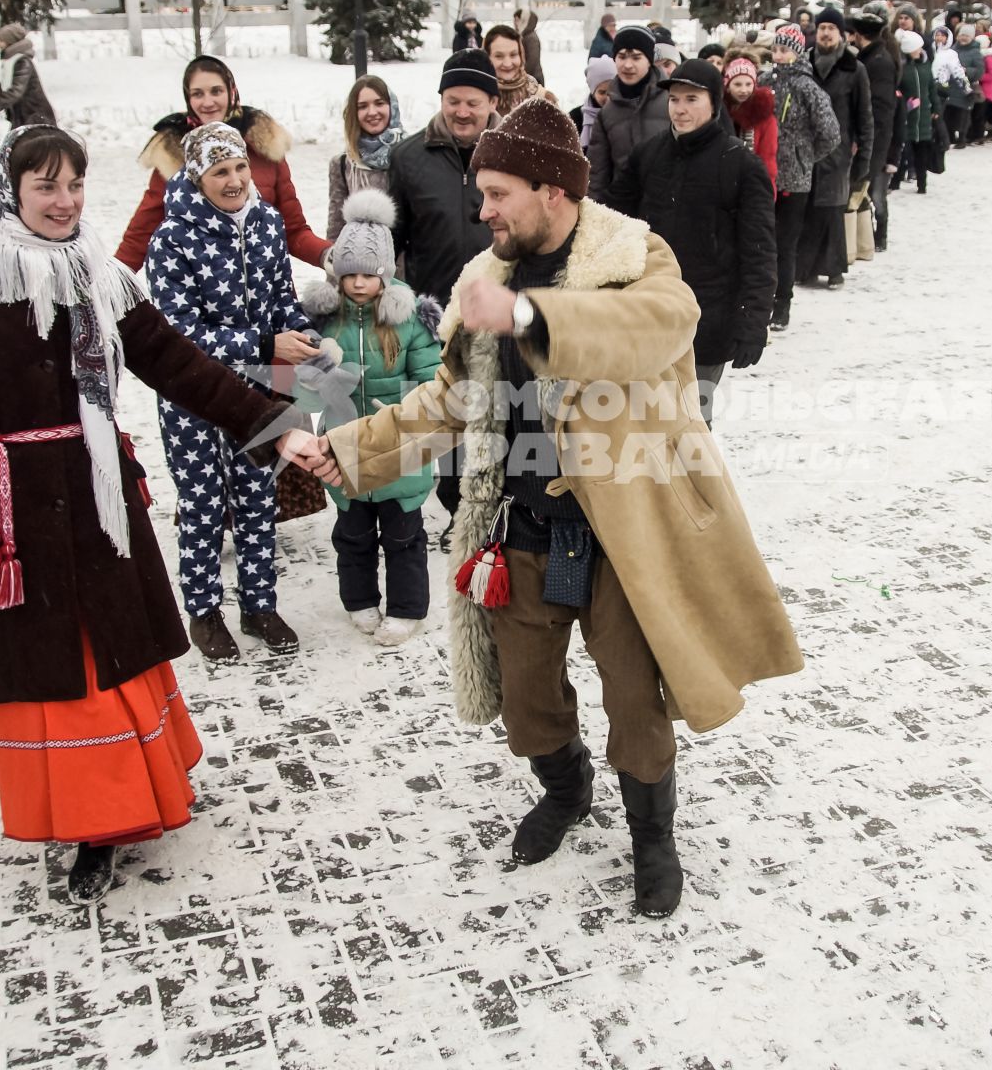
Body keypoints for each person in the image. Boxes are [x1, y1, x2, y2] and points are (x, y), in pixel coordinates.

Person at [293, 98, 804, 919]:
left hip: (623, 532)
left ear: (554, 191)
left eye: (498, 193)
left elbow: (657, 328)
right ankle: (564, 792)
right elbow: (449, 400)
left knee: (637, 705)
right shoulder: (485, 280)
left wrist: (536, 315)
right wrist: (349, 449)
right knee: (526, 704)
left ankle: (652, 837)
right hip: (519, 532)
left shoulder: (637, 258)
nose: (482, 208)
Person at [0, 125, 314, 905]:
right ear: (11, 192)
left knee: (110, 657)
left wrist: (273, 426)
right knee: (52, 670)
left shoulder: (103, 279)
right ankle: (85, 818)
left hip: (100, 505)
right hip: (15, 517)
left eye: (75, 185)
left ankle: (119, 812)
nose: (66, 203)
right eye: (46, 188)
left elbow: (180, 367)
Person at [145, 122, 314, 660]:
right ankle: (205, 611)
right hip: (192, 396)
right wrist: (266, 343)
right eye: (221, 171)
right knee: (202, 503)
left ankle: (260, 605)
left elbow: (282, 299)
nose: (236, 179)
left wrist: (305, 337)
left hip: (257, 391)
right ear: (198, 176)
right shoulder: (171, 240)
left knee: (258, 498)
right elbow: (179, 334)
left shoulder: (265, 223)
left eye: (240, 166)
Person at [300, 190, 444, 646]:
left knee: (403, 535)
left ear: (385, 273)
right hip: (343, 447)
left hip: (399, 448)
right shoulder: (325, 321)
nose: (359, 283)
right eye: (350, 275)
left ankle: (406, 608)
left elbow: (430, 379)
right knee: (353, 533)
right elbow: (305, 390)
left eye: (369, 274)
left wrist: (405, 409)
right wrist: (320, 368)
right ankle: (359, 600)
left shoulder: (410, 320)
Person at [607, 59, 776, 425]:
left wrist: (752, 321)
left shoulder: (741, 166)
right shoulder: (648, 155)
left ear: (714, 103)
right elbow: (615, 224)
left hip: (708, 317)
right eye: (675, 100)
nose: (680, 109)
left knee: (690, 422)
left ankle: (694, 483)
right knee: (643, 419)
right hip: (648, 312)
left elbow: (759, 252)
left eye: (691, 99)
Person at [388, 49, 500, 547]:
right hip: (435, 315)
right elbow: (395, 240)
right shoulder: (408, 158)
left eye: (472, 102)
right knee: (449, 412)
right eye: (453, 101)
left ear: (492, 103)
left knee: (497, 409)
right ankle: (456, 507)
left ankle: (494, 504)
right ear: (441, 99)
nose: (462, 112)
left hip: (500, 310)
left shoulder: (511, 155)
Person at [114, 57, 330, 272]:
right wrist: (109, 286)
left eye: (216, 91)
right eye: (198, 94)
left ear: (231, 91)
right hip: (202, 298)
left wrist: (331, 257)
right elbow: (139, 235)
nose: (207, 102)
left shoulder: (263, 147)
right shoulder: (175, 155)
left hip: (267, 294)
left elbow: (293, 230)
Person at [763, 25, 839, 330]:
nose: (779, 56)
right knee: (762, 242)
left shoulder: (807, 87)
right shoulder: (764, 80)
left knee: (785, 245)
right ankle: (760, 300)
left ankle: (782, 303)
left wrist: (804, 157)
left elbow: (831, 133)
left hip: (794, 180)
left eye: (785, 50)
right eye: (776, 50)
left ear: (796, 51)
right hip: (763, 175)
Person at [796, 7, 872, 290]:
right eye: (822, 28)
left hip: (838, 153)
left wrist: (864, 160)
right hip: (804, 151)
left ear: (841, 34)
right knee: (806, 210)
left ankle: (834, 269)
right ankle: (805, 268)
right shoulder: (804, 65)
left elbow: (865, 118)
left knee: (831, 210)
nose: (826, 33)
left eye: (832, 29)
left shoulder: (855, 69)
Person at [585, 24, 669, 204]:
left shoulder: (671, 101)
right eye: (622, 57)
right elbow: (598, 174)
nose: (628, 65)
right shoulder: (607, 112)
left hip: (667, 207)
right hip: (625, 211)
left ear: (649, 59)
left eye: (636, 57)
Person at [326, 75, 404, 240]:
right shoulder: (342, 164)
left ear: (392, 106)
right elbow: (336, 227)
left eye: (379, 103)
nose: (372, 112)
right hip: (361, 262)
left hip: (408, 262)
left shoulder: (411, 155)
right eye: (362, 106)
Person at [849, 12, 900, 251]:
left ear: (859, 35)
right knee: (865, 192)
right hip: (874, 138)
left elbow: (878, 108)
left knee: (874, 192)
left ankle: (879, 236)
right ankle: (868, 238)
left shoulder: (878, 62)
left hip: (876, 140)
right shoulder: (874, 58)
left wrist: (866, 139)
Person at [0, 22, 56, 128]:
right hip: (22, 115)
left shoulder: (22, 62)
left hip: (34, 115)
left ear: (9, 41)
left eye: (0, 39)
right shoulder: (11, 61)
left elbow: (15, 91)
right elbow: (3, 86)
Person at [722, 54, 779, 190]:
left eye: (748, 84)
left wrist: (767, 190)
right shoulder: (720, 112)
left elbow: (768, 158)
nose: (743, 90)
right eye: (737, 84)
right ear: (728, 86)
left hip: (753, 184)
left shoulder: (764, 116)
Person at [896, 28, 942, 193]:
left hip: (923, 116)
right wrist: (905, 104)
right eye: (917, 47)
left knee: (922, 152)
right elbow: (896, 91)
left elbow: (932, 89)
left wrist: (936, 108)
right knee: (903, 151)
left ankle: (922, 184)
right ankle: (895, 181)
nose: (920, 49)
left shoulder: (925, 65)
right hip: (908, 116)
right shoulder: (902, 68)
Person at [484, 24, 560, 117]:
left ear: (521, 56)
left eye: (513, 55)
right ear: (487, 58)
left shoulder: (541, 98)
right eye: (499, 56)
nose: (507, 63)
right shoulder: (475, 96)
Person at [943, 25, 981, 150]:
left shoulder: (975, 52)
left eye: (966, 36)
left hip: (965, 88)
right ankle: (950, 136)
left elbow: (980, 70)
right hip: (951, 86)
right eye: (962, 35)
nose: (963, 38)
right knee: (949, 113)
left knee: (963, 115)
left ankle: (962, 138)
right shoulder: (953, 49)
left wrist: (967, 70)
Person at [572, 55, 617, 149]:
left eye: (612, 90)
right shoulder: (575, 119)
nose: (608, 98)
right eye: (602, 92)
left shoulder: (628, 113)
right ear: (593, 92)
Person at [512, 8, 546, 84]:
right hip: (528, 78)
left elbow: (533, 59)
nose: (515, 23)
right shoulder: (523, 36)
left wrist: (523, 74)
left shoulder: (531, 37)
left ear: (524, 20)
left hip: (533, 79)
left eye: (517, 20)